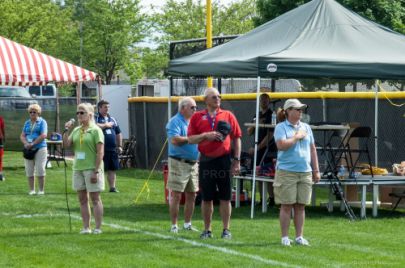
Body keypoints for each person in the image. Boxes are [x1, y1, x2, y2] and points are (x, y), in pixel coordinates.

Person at [188, 88, 242, 239]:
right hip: (206, 160)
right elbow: (191, 139)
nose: (217, 99)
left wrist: (236, 160)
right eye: (214, 97)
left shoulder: (228, 115)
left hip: (224, 160)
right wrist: (206, 135)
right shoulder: (197, 117)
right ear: (205, 100)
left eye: (219, 96)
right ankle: (207, 230)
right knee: (207, 197)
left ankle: (226, 230)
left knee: (225, 197)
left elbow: (237, 138)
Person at [273, 99, 320, 246]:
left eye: (301, 110)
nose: (300, 112)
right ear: (288, 111)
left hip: (305, 171)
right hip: (286, 172)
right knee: (286, 205)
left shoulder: (306, 127)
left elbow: (312, 149)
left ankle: (299, 237)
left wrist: (316, 170)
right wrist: (296, 137)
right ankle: (285, 238)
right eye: (297, 109)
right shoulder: (280, 127)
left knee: (301, 206)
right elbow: (281, 145)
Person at [63, 103, 105, 234]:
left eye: (82, 113)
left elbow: (100, 153)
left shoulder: (96, 130)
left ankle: (98, 228)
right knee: (82, 199)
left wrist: (96, 171)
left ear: (90, 115)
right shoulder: (76, 130)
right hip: (78, 168)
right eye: (78, 113)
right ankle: (86, 227)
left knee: (95, 198)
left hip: (92, 168)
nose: (79, 115)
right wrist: (66, 130)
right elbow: (66, 145)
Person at [166, 97, 199, 233]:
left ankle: (187, 224)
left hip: (193, 163)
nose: (195, 110)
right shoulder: (174, 121)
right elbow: (174, 140)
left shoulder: (193, 121)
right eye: (193, 107)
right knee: (177, 195)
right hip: (179, 162)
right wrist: (192, 139)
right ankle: (174, 225)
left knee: (192, 195)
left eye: (196, 107)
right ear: (183, 108)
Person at [247, 93, 277, 206]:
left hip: (267, 150)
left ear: (269, 102)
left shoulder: (271, 115)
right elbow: (249, 131)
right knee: (258, 174)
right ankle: (262, 199)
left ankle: (272, 198)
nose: (263, 102)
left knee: (267, 175)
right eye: (262, 100)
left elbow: (270, 135)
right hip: (257, 149)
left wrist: (257, 147)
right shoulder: (257, 114)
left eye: (266, 100)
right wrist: (255, 123)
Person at [20, 104, 48, 195]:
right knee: (29, 170)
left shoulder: (42, 122)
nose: (32, 113)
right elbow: (22, 135)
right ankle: (32, 190)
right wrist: (26, 143)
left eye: (34, 112)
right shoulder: (27, 123)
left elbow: (44, 135)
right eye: (30, 112)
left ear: (38, 113)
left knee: (40, 169)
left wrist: (33, 143)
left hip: (40, 148)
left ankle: (41, 190)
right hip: (28, 149)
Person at [95, 100, 123, 193]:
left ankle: (112, 188)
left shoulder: (112, 119)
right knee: (99, 168)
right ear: (99, 108)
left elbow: (118, 133)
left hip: (112, 149)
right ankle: (97, 187)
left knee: (112, 169)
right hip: (100, 149)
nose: (107, 109)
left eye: (108, 107)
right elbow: (93, 126)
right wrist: (105, 125)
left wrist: (119, 145)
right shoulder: (96, 118)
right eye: (105, 107)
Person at [0, 115, 5, 181]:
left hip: (0, 140)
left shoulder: (0, 118)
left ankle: (0, 174)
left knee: (0, 158)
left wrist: (3, 136)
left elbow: (2, 128)